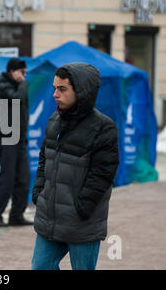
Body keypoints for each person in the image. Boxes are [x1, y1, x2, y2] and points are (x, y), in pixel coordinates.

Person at [31, 62, 119, 270]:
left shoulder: (103, 127)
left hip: (82, 222)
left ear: (81, 92)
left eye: (62, 89)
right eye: (54, 88)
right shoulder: (54, 120)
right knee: (40, 267)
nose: (55, 94)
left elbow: (104, 172)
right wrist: (39, 192)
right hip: (50, 218)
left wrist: (83, 207)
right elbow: (44, 159)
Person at [0, 58, 32, 227]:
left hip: (19, 137)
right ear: (12, 71)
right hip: (7, 137)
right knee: (7, 178)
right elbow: (17, 99)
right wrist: (23, 84)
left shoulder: (15, 85)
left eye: (25, 72)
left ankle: (16, 215)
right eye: (22, 72)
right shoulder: (3, 86)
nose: (24, 76)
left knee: (23, 178)